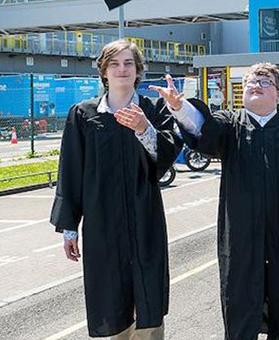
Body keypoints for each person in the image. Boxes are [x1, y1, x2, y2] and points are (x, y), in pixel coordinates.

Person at [154, 64, 279, 340]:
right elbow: (203, 132)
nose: (256, 85)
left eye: (265, 81)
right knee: (240, 306)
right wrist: (180, 109)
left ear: (278, 95)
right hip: (241, 239)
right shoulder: (230, 125)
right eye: (250, 81)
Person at [50, 40, 181, 340]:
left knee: (148, 299)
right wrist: (70, 227)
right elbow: (70, 171)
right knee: (110, 299)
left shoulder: (152, 110)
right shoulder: (84, 115)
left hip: (144, 218)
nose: (122, 69)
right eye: (114, 63)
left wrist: (144, 129)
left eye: (129, 63)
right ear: (103, 72)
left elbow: (167, 156)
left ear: (138, 71)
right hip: (103, 224)